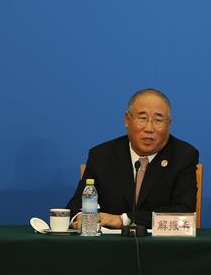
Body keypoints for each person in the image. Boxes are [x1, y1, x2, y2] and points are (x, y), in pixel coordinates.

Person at [66, 89, 199, 229]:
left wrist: (124, 219)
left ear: (169, 125)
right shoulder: (101, 156)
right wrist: (81, 219)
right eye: (142, 118)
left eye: (158, 120)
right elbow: (75, 208)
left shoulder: (183, 156)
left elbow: (184, 214)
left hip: (161, 247)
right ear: (127, 120)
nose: (149, 128)